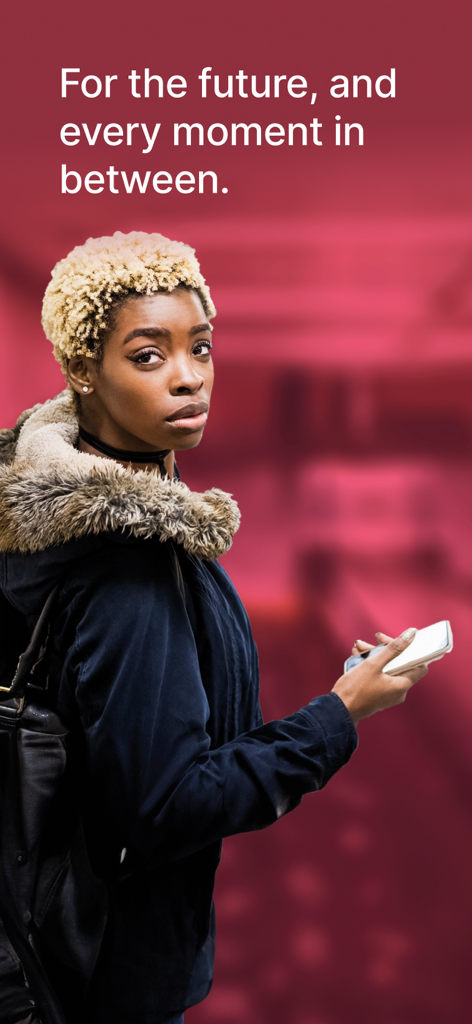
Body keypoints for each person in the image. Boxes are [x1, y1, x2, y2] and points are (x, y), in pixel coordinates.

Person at [0, 231, 427, 1024]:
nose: (189, 376)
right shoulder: (127, 570)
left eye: (200, 345)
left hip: (49, 942)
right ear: (83, 370)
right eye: (148, 355)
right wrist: (339, 716)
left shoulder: (60, 522)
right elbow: (168, 808)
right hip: (104, 976)